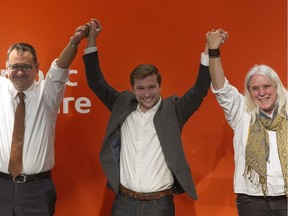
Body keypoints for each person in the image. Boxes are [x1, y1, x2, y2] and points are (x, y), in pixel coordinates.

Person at [83, 19, 213, 216]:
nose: (147, 94)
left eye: (152, 87)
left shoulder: (174, 109)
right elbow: (95, 81)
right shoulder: (122, 103)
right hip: (123, 203)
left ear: (160, 86)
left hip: (159, 205)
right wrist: (91, 39)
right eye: (140, 88)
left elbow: (199, 89)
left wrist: (209, 50)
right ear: (133, 89)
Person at [0, 23, 89, 215]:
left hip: (37, 190)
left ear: (36, 67)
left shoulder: (48, 93)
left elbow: (61, 66)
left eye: (26, 66)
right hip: (2, 186)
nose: (20, 71)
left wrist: (74, 41)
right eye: (15, 66)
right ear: (7, 68)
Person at [206, 29, 287, 216]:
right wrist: (213, 51)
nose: (262, 93)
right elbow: (220, 87)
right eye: (255, 88)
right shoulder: (242, 110)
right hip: (252, 200)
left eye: (267, 86)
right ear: (249, 91)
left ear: (277, 87)